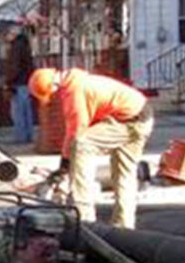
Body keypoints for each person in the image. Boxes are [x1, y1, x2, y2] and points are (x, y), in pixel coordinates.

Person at [29, 68, 153, 229]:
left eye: (51, 94)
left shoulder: (74, 91)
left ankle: (84, 218)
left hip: (129, 121)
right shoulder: (78, 81)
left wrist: (64, 165)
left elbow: (76, 131)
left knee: (82, 145)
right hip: (141, 116)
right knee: (123, 174)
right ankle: (123, 228)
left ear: (53, 86)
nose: (53, 98)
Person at [6, 27, 35, 144]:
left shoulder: (16, 47)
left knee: (18, 112)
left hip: (18, 82)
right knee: (27, 111)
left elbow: (14, 67)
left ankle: (21, 137)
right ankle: (28, 135)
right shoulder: (25, 45)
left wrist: (8, 82)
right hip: (26, 81)